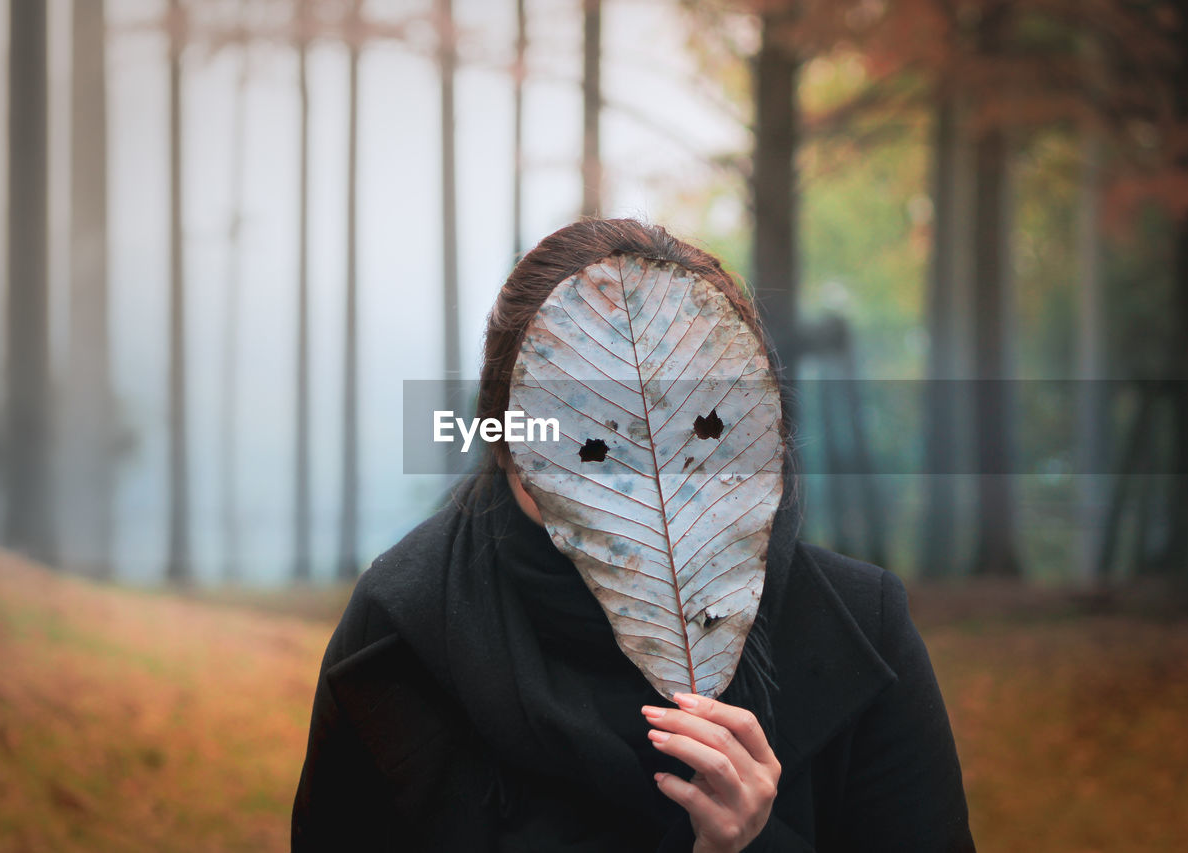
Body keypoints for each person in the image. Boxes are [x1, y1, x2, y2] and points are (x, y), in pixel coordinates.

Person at [291, 219, 975, 852]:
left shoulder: (856, 627)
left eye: (700, 425)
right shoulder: (401, 632)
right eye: (585, 435)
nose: (650, 470)